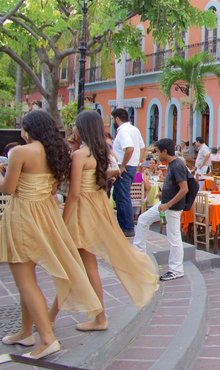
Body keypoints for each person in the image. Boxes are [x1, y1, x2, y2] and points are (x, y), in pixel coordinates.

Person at [0, 110, 101, 360]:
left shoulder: (20, 152)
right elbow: (53, 188)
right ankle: (24, 331)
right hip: (46, 213)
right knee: (27, 280)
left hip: (23, 215)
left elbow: (8, 188)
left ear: (27, 130)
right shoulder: (58, 152)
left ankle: (47, 338)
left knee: (25, 281)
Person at [49, 111, 158, 330]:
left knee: (77, 266)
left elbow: (74, 193)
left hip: (82, 211)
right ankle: (82, 317)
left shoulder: (81, 155)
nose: (73, 130)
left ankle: (57, 318)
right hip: (95, 208)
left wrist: (63, 221)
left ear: (82, 128)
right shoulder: (99, 152)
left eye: (75, 126)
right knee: (85, 266)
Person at [133, 138, 190, 281]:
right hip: (165, 203)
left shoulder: (176, 165)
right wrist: (163, 194)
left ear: (165, 151)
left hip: (172, 207)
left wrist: (168, 204)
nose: (157, 155)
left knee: (174, 237)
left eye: (158, 152)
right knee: (143, 220)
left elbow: (184, 189)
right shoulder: (171, 164)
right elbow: (175, 186)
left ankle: (176, 269)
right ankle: (139, 256)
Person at [111, 108, 146, 237]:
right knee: (119, 195)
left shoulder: (123, 131)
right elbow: (142, 147)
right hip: (130, 166)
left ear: (117, 119)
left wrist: (124, 165)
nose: (113, 122)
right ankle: (125, 225)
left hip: (124, 166)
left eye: (113, 119)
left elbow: (129, 148)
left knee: (123, 197)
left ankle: (126, 227)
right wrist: (136, 162)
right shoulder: (134, 130)